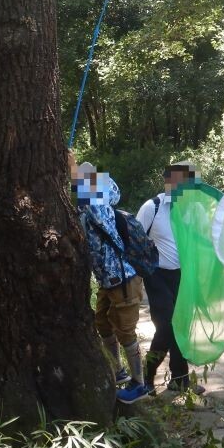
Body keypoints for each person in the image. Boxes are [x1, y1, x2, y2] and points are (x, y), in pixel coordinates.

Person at [73, 161, 149, 404]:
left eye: (83, 182)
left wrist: (73, 165)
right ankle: (118, 371)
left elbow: (93, 194)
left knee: (125, 329)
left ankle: (140, 384)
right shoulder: (85, 210)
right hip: (108, 280)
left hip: (124, 279)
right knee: (103, 323)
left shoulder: (100, 206)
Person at [135, 160, 205, 394]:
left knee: (181, 326)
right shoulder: (151, 208)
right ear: (169, 182)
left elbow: (202, 240)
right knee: (166, 326)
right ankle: (147, 377)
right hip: (156, 275)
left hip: (182, 276)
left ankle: (180, 379)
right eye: (183, 182)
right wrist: (136, 276)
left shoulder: (192, 210)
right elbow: (134, 241)